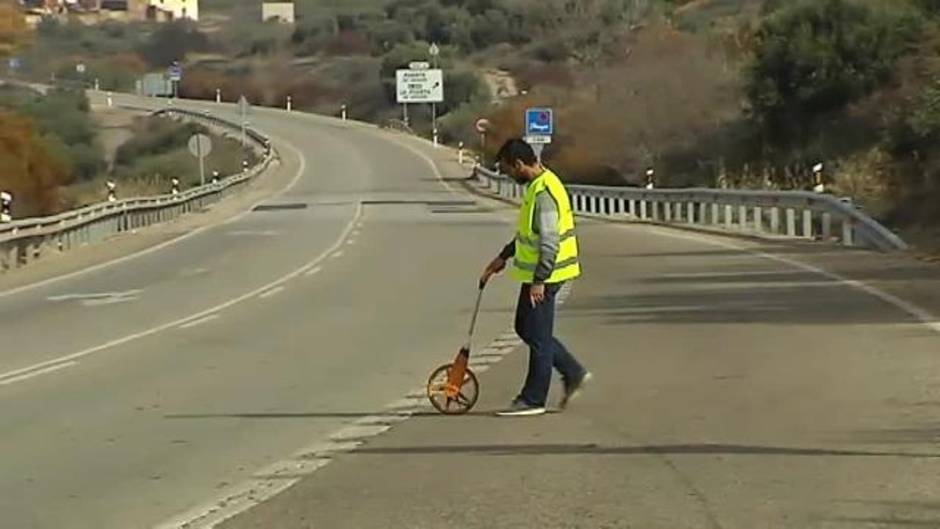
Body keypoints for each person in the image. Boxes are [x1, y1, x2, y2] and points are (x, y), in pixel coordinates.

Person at [481, 139, 592, 417]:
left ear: (518, 164)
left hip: (549, 272)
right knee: (526, 327)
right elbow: (527, 236)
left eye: (508, 170)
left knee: (538, 335)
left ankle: (533, 398)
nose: (508, 175)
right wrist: (503, 257)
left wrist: (540, 280)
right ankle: (573, 371)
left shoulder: (544, 194)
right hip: (542, 271)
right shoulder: (537, 186)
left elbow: (549, 243)